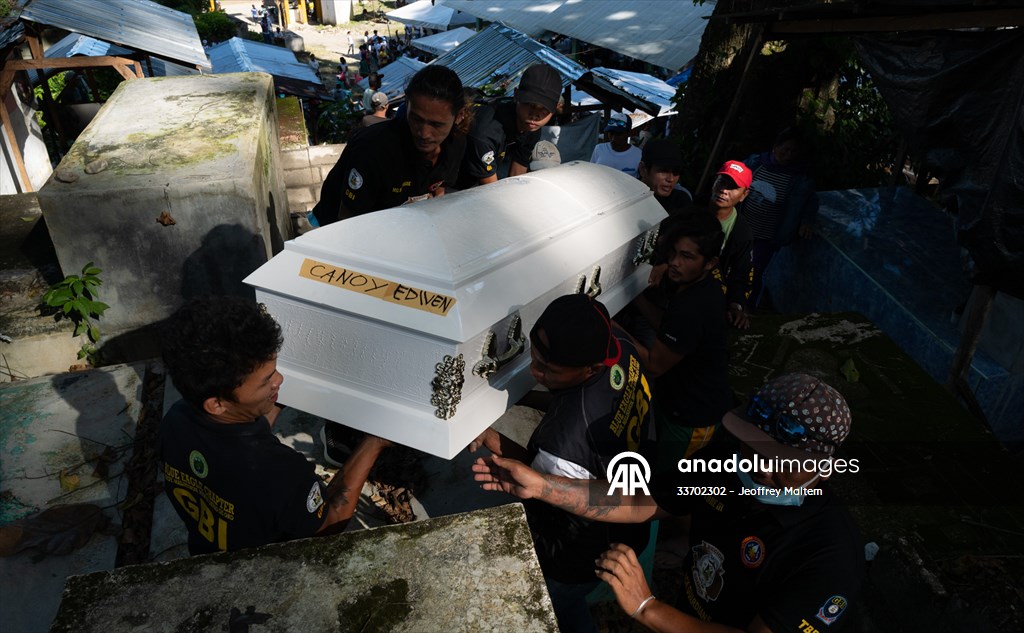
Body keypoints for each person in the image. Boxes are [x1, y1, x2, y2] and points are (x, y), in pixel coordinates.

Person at [473, 373, 863, 633]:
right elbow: (640, 499)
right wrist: (542, 486)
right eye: (752, 445)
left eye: (780, 459)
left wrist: (648, 608)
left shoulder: (830, 556)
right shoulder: (726, 464)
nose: (758, 464)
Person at [469, 294, 655, 633]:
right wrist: (528, 395)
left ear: (590, 368)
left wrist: (491, 438)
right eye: (535, 358)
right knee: (570, 609)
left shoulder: (563, 443)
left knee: (549, 606)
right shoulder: (621, 352)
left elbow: (534, 475)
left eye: (548, 369)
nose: (535, 372)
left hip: (578, 554)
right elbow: (577, 399)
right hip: (632, 518)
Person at [158, 297, 390, 555]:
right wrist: (374, 442)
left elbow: (241, 438)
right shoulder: (279, 472)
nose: (279, 379)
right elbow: (329, 523)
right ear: (217, 404)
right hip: (263, 574)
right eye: (266, 380)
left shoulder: (176, 421)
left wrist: (282, 398)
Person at [628, 212, 733, 461]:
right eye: (673, 253)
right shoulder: (696, 285)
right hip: (674, 402)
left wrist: (609, 326)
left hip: (690, 419)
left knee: (665, 484)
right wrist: (634, 295)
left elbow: (653, 365)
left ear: (710, 263)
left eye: (687, 257)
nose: (674, 262)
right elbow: (668, 328)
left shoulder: (694, 306)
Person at [311, 65, 466, 226]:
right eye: (416, 119)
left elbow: (439, 188)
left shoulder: (455, 145)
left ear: (459, 116)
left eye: (436, 124)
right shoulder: (373, 150)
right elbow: (348, 222)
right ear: (407, 105)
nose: (424, 133)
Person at [740, 128, 819, 308]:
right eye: (785, 150)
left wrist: (807, 221)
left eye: (793, 152)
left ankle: (747, 309)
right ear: (775, 148)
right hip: (741, 228)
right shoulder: (755, 163)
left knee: (754, 274)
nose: (788, 155)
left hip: (767, 238)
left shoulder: (799, 179)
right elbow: (734, 177)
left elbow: (811, 201)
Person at [455, 63, 563, 189]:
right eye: (529, 104)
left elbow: (516, 178)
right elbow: (492, 191)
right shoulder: (486, 132)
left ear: (555, 108)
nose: (535, 115)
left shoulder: (532, 128)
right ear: (516, 95)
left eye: (544, 109)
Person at [709, 160, 755, 329]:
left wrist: (735, 305)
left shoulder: (742, 234)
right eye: (722, 182)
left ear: (744, 195)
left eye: (733, 187)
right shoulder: (691, 209)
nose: (724, 190)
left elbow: (741, 274)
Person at [637, 139, 693, 213]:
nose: (671, 179)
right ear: (643, 169)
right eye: (664, 171)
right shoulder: (624, 197)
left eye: (676, 172)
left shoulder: (681, 201)